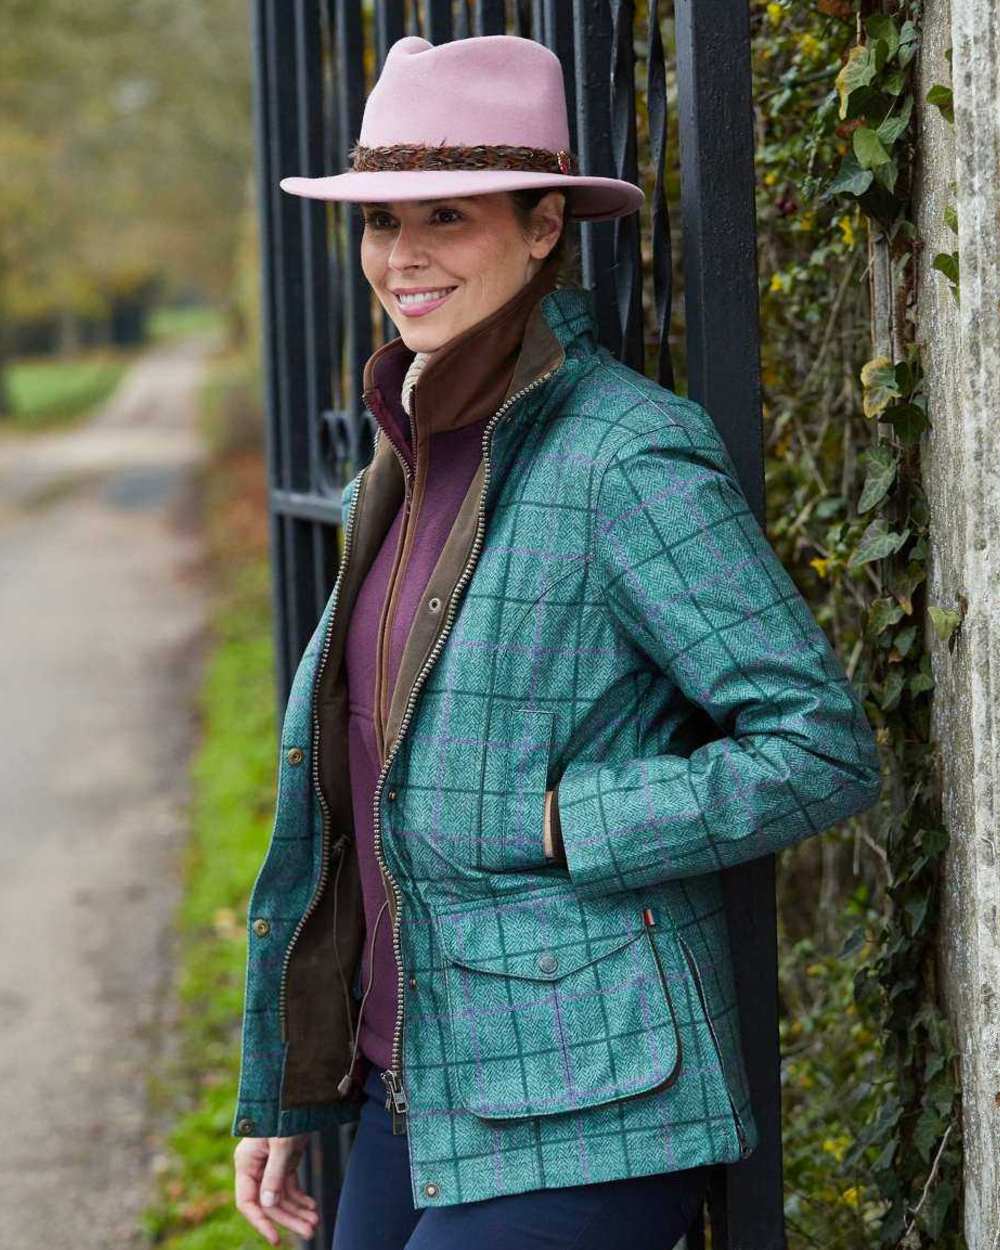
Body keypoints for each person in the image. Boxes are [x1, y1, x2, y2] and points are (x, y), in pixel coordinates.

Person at [231, 32, 882, 1250]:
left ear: (543, 228)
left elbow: (819, 744)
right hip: (413, 1085)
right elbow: (346, 802)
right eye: (380, 221)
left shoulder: (624, 454)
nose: (402, 255)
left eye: (447, 216)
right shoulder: (400, 464)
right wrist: (284, 1082)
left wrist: (563, 819)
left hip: (593, 1097)